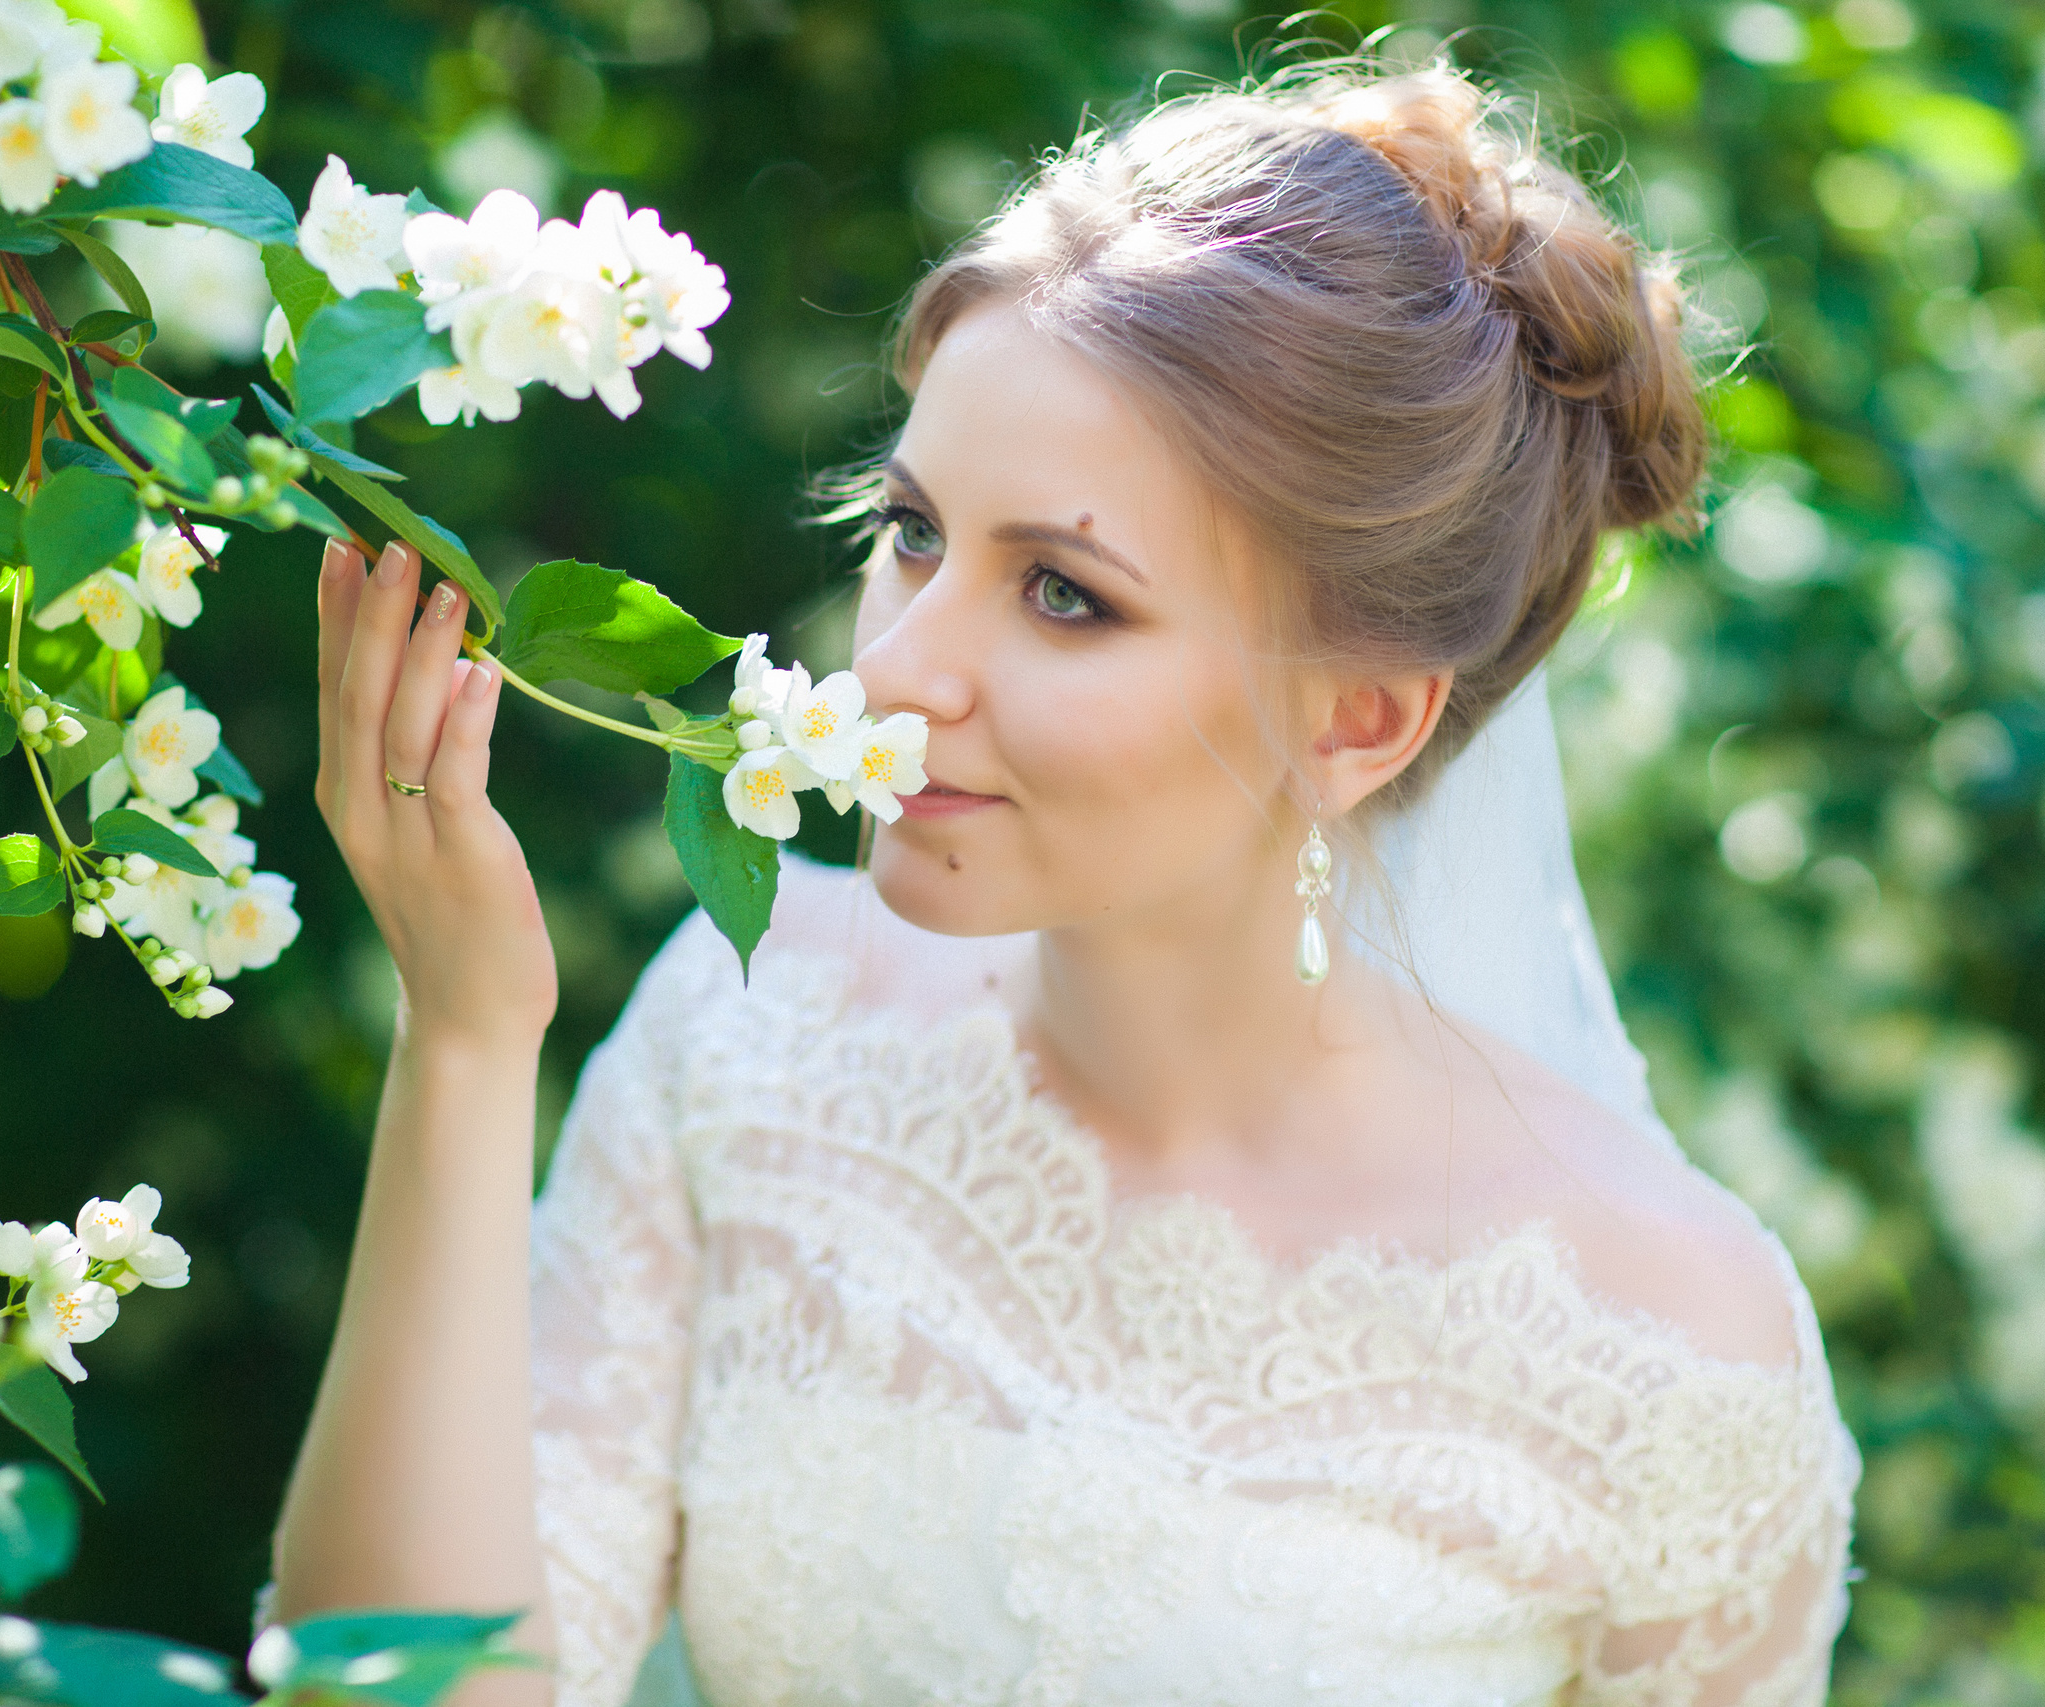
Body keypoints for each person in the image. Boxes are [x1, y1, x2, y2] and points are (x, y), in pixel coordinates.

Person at [266, 62, 1861, 1707]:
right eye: (912, 532)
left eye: (1066, 596)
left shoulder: (1675, 1356)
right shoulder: (754, 1034)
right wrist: (464, 1038)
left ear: (1356, 722)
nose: (894, 674)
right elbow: (403, 1692)